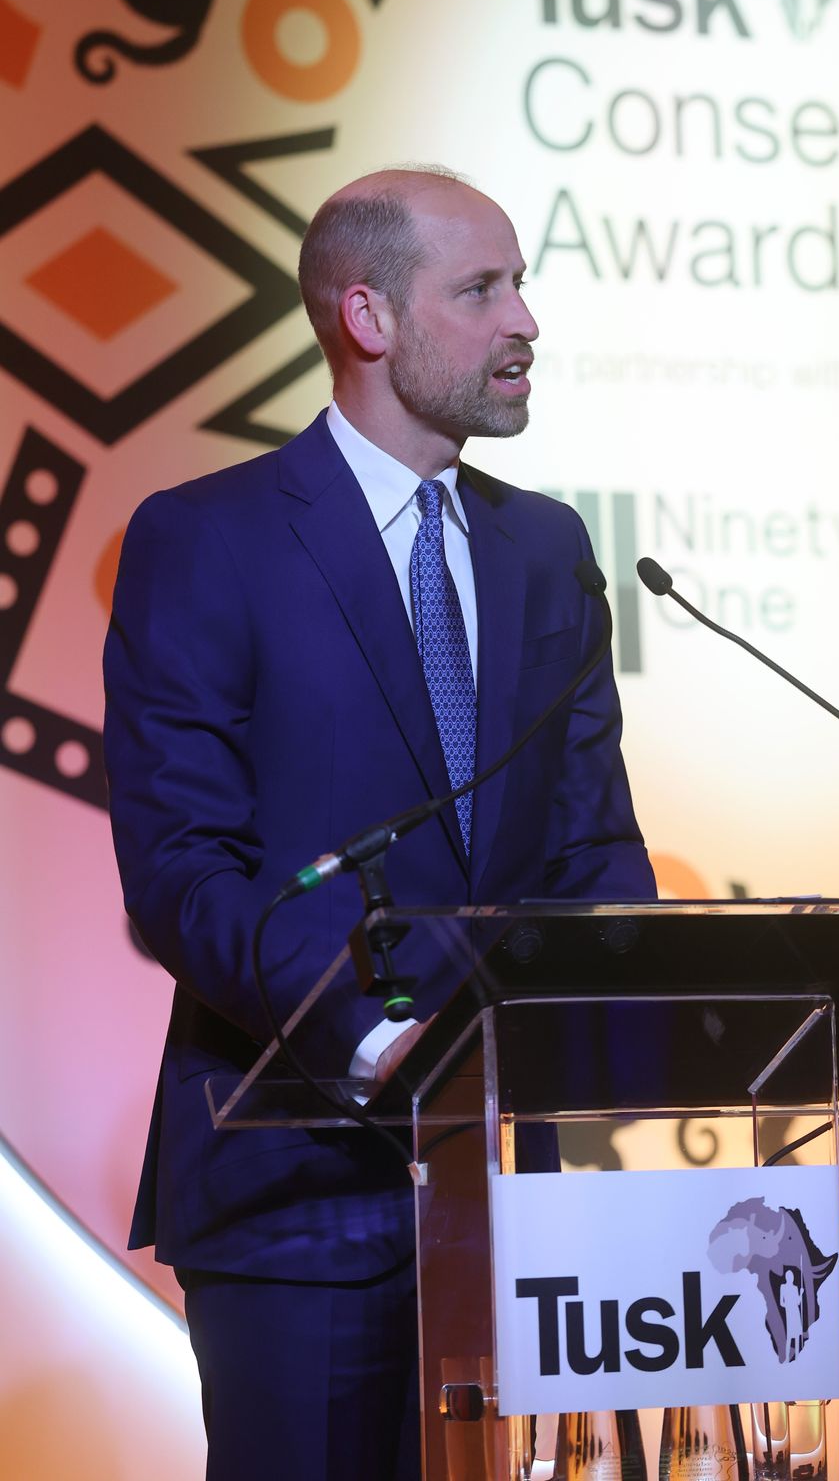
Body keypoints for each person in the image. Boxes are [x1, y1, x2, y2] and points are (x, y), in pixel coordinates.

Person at [103, 167, 655, 1480]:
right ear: (366, 315)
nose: (525, 322)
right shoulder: (205, 540)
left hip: (512, 1205)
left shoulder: (545, 552)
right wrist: (385, 1027)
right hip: (293, 1192)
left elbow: (592, 849)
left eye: (521, 283)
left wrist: (664, 1021)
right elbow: (183, 875)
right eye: (483, 290)